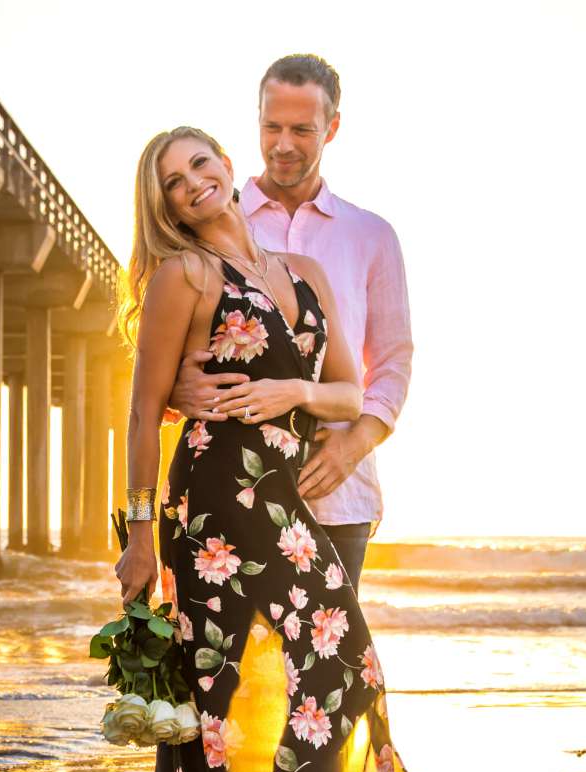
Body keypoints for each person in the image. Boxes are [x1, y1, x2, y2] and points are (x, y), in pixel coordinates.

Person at [116, 126, 437, 772]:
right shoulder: (183, 275)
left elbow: (348, 395)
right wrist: (136, 534)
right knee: (217, 692)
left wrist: (287, 393)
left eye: (198, 164)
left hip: (284, 501)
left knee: (340, 663)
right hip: (211, 504)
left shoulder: (307, 271)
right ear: (165, 207)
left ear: (228, 167)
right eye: (170, 182)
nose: (190, 183)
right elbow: (139, 410)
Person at [167, 53, 411, 595]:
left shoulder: (371, 237)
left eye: (302, 129)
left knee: (330, 673)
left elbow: (392, 363)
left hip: (338, 498)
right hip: (231, 495)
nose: (283, 144)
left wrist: (354, 446)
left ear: (333, 127)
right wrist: (175, 393)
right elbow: (158, 359)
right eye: (271, 126)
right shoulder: (204, 221)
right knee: (239, 677)